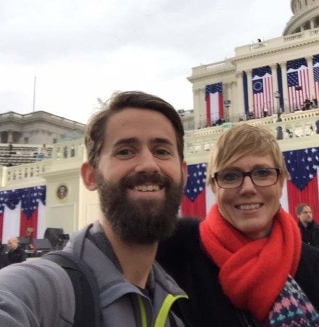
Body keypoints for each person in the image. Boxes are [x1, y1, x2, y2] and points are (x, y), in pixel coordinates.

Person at [0, 91, 188, 326]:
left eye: (162, 151)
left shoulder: (175, 310)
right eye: (125, 151)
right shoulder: (39, 292)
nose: (149, 164)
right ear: (91, 176)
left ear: (184, 174)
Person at [157, 124, 319, 326]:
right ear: (214, 187)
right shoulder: (170, 267)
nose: (248, 188)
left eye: (262, 173)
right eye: (230, 176)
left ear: (281, 183)